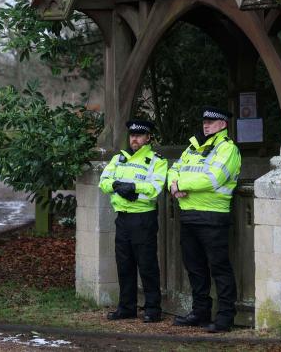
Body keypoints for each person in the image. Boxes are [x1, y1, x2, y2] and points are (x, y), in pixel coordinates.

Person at [168, 106, 241, 333]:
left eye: (211, 121)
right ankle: (200, 312)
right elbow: (174, 168)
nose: (206, 124)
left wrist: (182, 184)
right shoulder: (193, 147)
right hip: (188, 215)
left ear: (223, 124)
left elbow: (214, 178)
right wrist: (172, 184)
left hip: (213, 217)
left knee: (220, 269)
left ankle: (225, 318)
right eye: (204, 121)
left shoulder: (227, 149)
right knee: (195, 268)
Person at [99, 120, 167, 323]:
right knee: (124, 264)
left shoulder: (156, 160)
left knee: (147, 265)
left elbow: (155, 187)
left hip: (143, 218)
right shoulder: (119, 158)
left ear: (148, 137)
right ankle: (126, 307)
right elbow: (103, 182)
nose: (134, 139)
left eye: (139, 135)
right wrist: (118, 185)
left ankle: (153, 309)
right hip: (123, 218)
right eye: (132, 135)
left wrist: (133, 188)